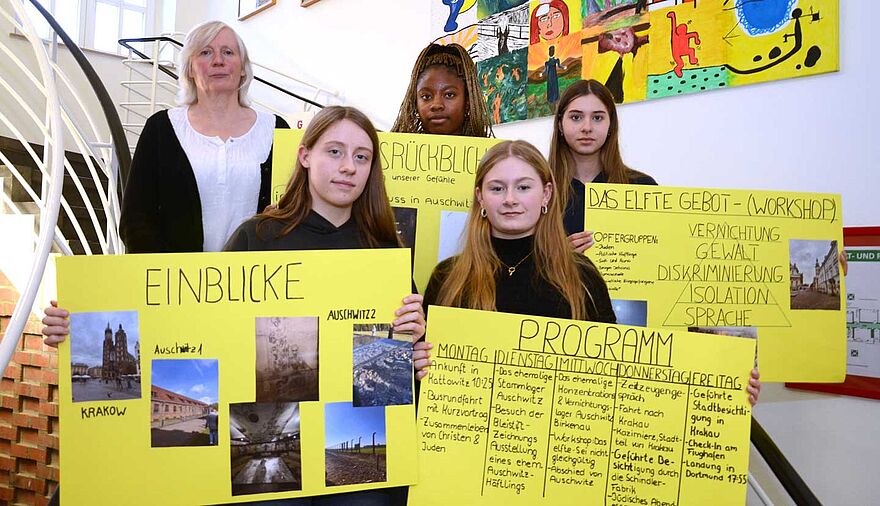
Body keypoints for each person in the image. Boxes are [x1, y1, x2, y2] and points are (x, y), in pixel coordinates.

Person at [412, 140, 761, 406]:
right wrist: (417, 365)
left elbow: (620, 372)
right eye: (497, 188)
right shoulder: (448, 278)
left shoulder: (580, 275)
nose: (510, 199)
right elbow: (420, 374)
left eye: (524, 186)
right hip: (465, 458)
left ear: (546, 193)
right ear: (480, 198)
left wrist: (723, 384)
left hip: (563, 462)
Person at [119, 20, 289, 253]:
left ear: (242, 68)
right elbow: (135, 219)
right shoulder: (160, 128)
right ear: (189, 68)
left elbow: (297, 210)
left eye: (228, 52)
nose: (218, 60)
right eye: (206, 52)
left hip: (259, 281)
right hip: (178, 281)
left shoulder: (277, 129)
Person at [549, 79, 657, 252]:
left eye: (597, 118)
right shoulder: (538, 189)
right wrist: (559, 259)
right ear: (561, 124)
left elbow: (657, 254)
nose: (587, 127)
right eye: (576, 117)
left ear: (610, 125)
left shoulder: (642, 186)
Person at [390, 43, 492, 137]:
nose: (437, 105)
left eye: (449, 95)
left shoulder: (493, 154)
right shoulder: (392, 153)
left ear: (468, 101)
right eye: (426, 96)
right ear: (415, 103)